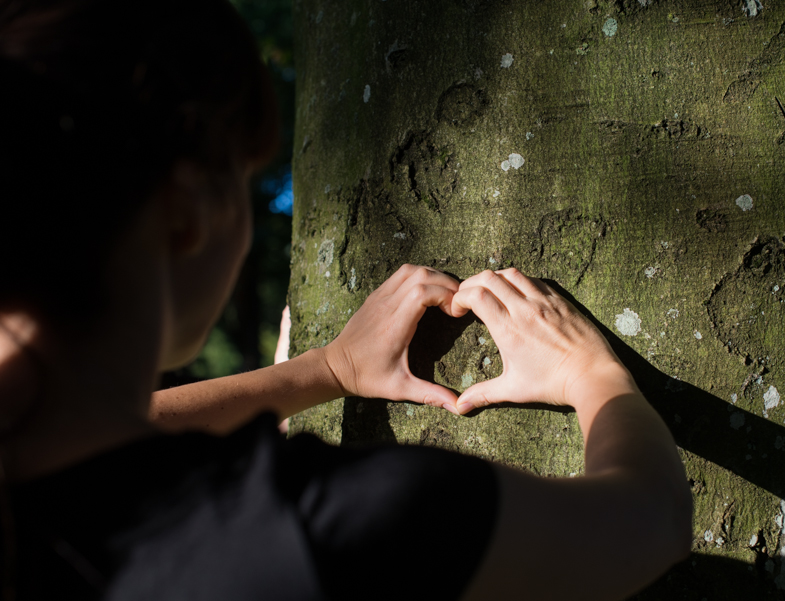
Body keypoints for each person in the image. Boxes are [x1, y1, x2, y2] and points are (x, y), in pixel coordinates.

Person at [0, 0, 692, 599]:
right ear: (188, 215)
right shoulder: (309, 525)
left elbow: (122, 431)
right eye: (246, 177)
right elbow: (649, 522)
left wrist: (326, 368)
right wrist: (593, 376)